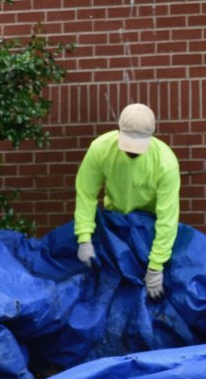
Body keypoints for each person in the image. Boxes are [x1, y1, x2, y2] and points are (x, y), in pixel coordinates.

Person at [73, 103, 180, 301]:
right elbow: (86, 193)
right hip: (115, 224)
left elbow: (167, 218)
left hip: (148, 229)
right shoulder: (101, 149)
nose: (133, 152)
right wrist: (84, 238)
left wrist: (156, 267)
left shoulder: (165, 163)